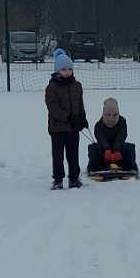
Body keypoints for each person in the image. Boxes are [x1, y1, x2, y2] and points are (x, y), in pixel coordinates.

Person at [45, 49, 88, 189]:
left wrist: (82, 118)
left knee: (73, 154)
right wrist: (68, 118)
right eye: (64, 69)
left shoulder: (77, 86)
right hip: (57, 128)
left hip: (73, 128)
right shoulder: (52, 88)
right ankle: (58, 179)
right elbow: (53, 108)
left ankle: (74, 178)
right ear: (58, 71)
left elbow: (80, 104)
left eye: (69, 69)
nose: (67, 72)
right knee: (58, 156)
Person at [88, 97, 138, 175]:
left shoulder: (122, 122)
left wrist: (117, 149)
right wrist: (107, 149)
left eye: (114, 115)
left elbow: (121, 136)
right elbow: (101, 139)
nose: (111, 118)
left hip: (119, 150)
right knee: (93, 149)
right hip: (104, 152)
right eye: (108, 115)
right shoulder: (98, 126)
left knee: (129, 149)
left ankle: (129, 168)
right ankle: (95, 169)